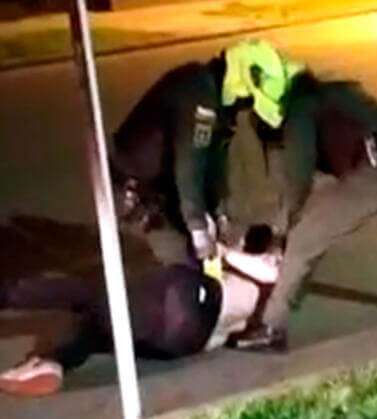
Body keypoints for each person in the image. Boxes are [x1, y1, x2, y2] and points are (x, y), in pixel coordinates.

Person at [223, 47, 377, 350]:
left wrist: (280, 233)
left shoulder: (300, 109)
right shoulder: (338, 92)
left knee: (305, 235)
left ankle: (270, 328)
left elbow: (297, 182)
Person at [0, 225, 281, 397]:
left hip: (189, 296)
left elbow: (269, 271)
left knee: (93, 291)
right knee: (102, 328)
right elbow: (223, 339)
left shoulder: (269, 269)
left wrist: (221, 249)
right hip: (186, 340)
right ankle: (51, 362)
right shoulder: (263, 310)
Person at [111, 38, 303, 268]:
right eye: (248, 102)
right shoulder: (198, 93)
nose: (246, 109)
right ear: (240, 87)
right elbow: (190, 165)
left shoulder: (217, 103)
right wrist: (198, 227)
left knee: (199, 259)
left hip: (162, 187)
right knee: (182, 266)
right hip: (136, 189)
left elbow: (215, 159)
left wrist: (218, 211)